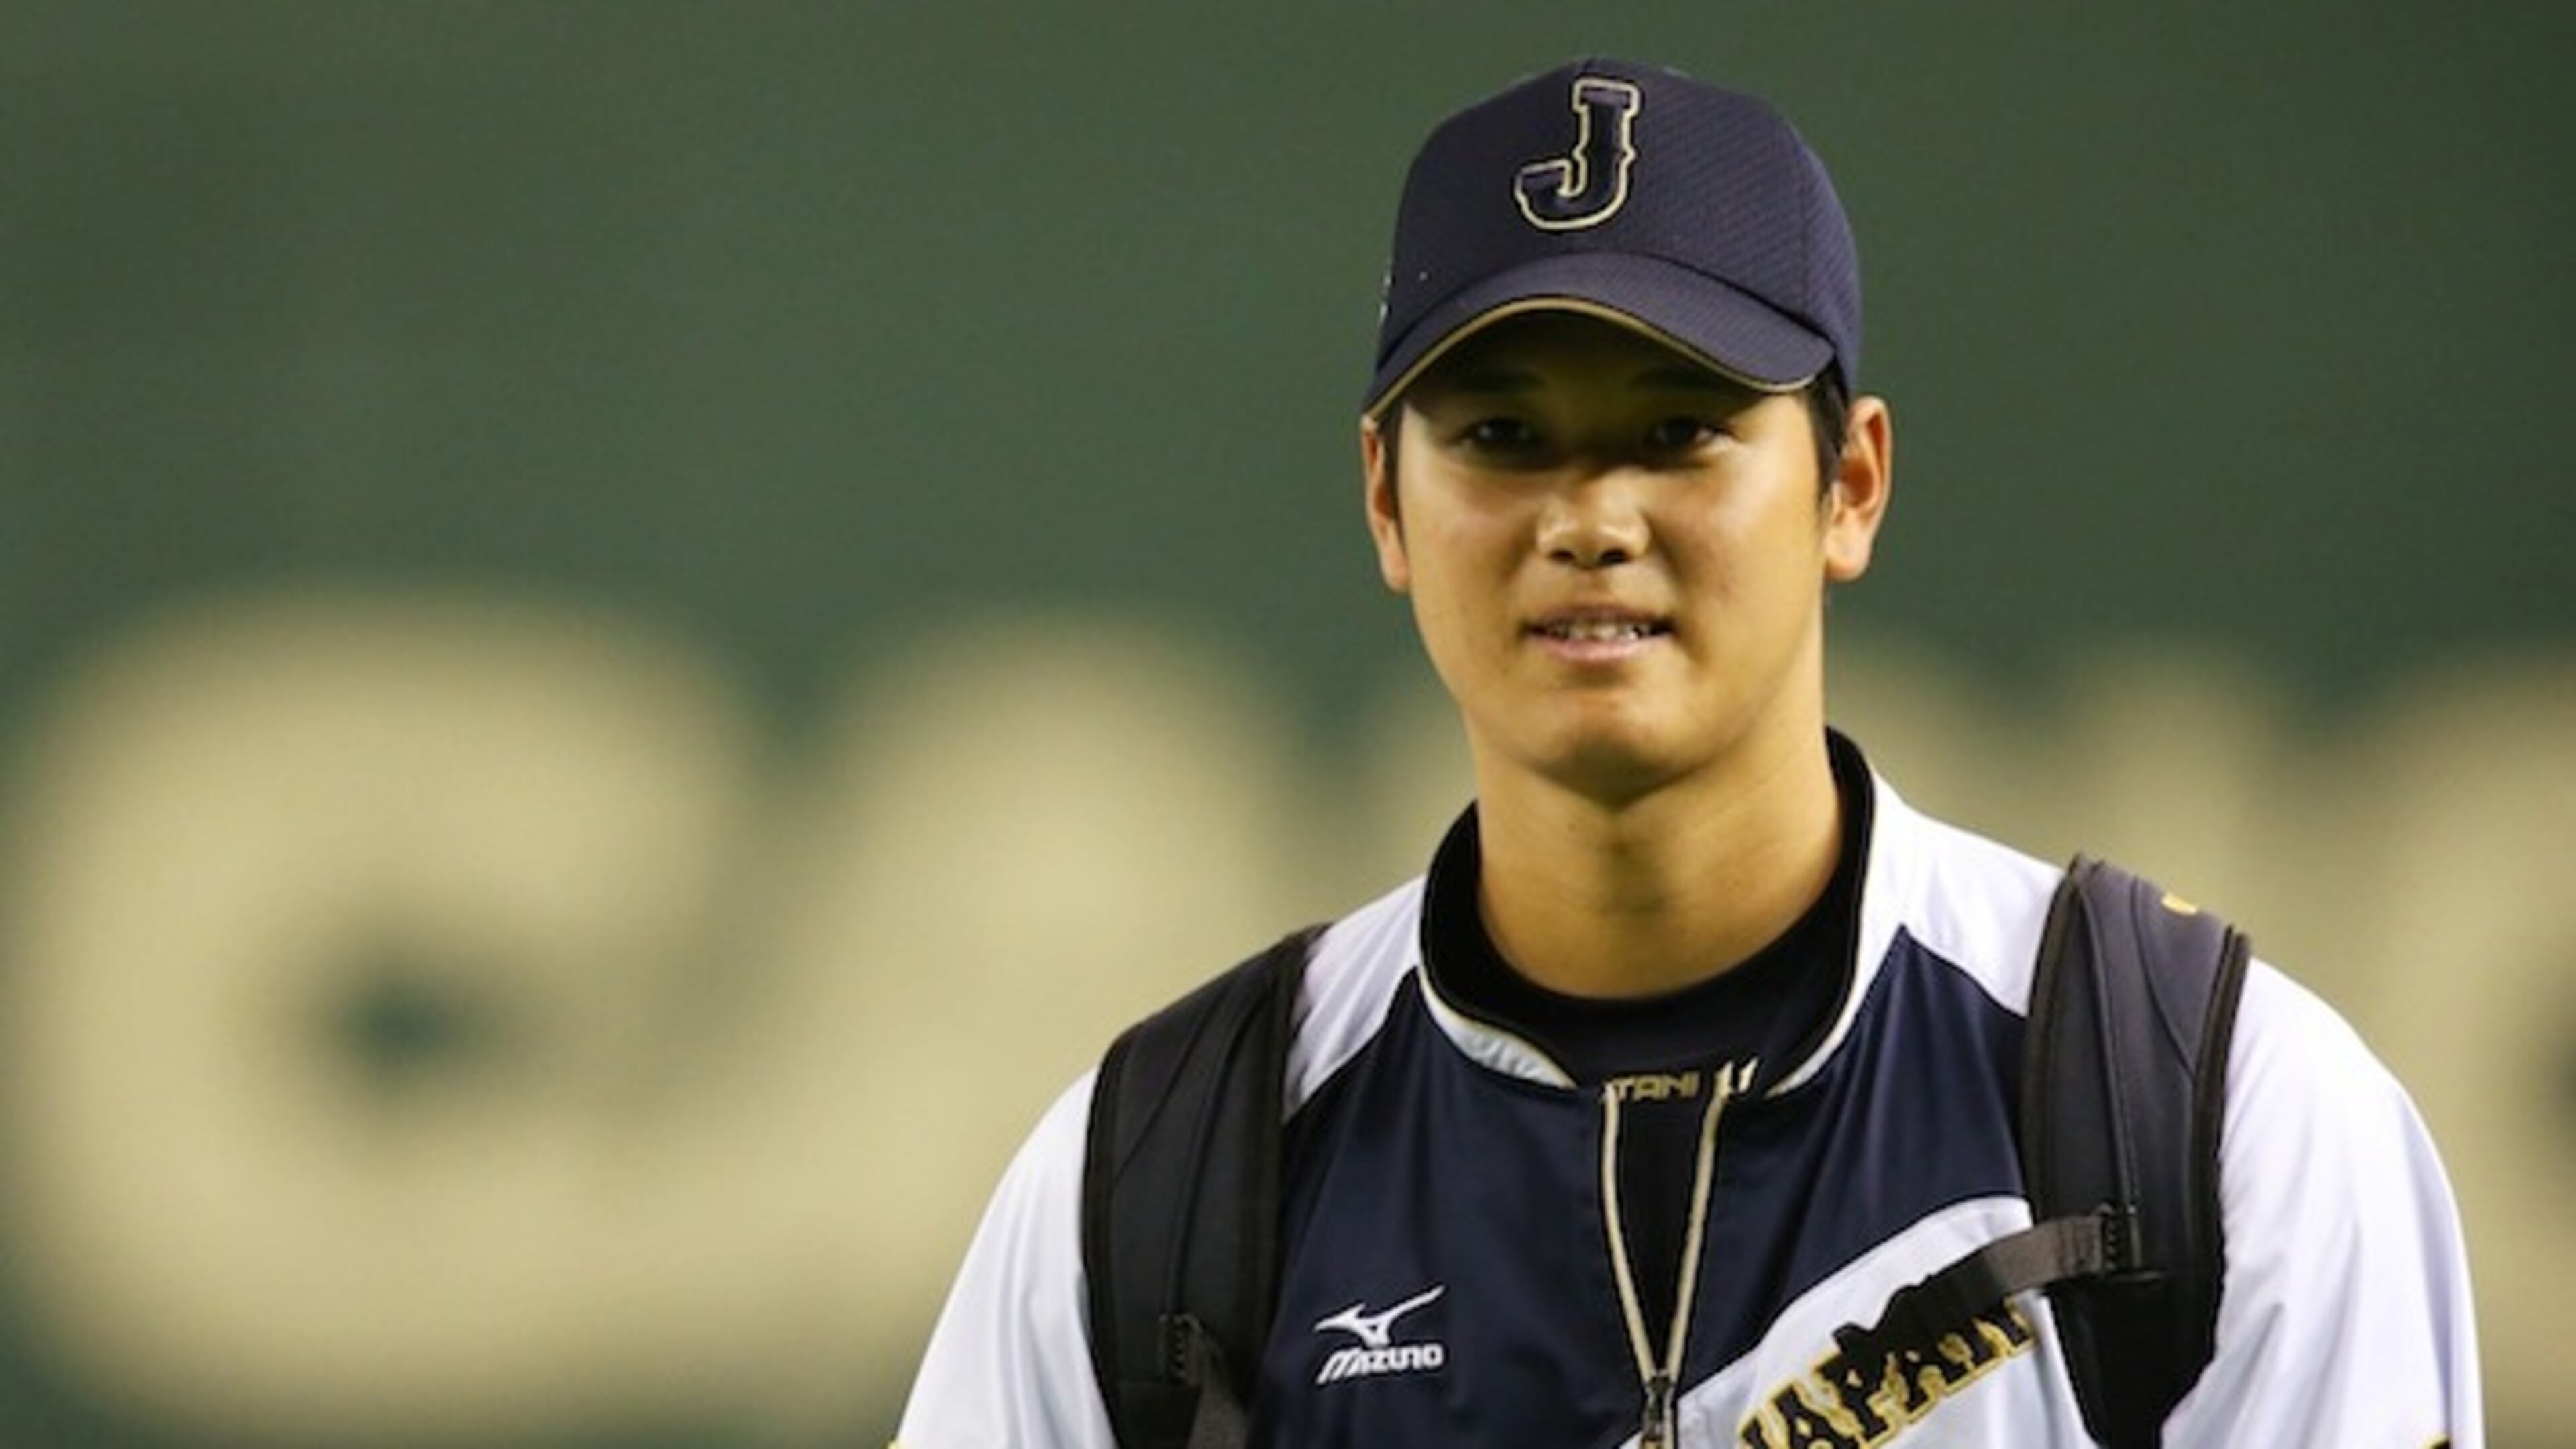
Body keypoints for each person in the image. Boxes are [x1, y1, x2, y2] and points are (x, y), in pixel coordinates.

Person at [894, 57, 2481, 1448]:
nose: (1591, 520)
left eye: (1680, 428)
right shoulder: (1168, 1178)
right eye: (1503, 436)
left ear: (1850, 485)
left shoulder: (2207, 1115)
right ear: (1386, 498)